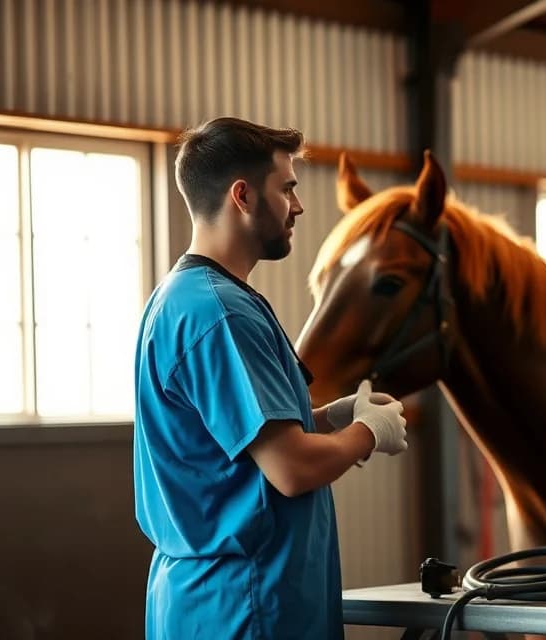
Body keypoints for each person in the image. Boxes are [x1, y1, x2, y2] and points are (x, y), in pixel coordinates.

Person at [133, 116, 408, 640]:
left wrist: (332, 416)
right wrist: (368, 433)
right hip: (245, 605)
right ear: (242, 195)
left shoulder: (182, 300)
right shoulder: (221, 312)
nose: (298, 207)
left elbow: (240, 441)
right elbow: (290, 467)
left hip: (210, 600)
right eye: (287, 189)